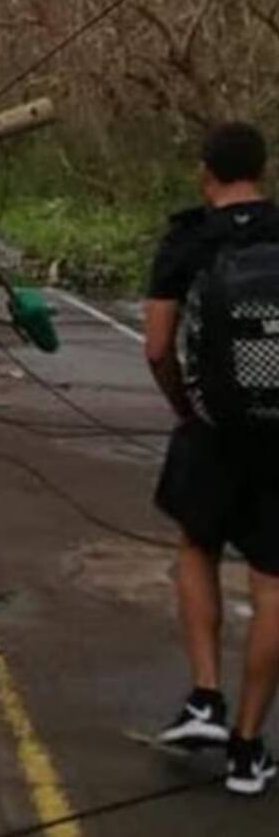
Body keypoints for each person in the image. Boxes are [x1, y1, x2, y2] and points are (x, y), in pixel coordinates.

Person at [147, 122, 279, 796]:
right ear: (262, 168)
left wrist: (184, 407)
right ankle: (250, 750)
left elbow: (157, 347)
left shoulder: (188, 238)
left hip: (212, 430)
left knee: (197, 545)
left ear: (206, 171)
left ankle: (205, 696)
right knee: (274, 584)